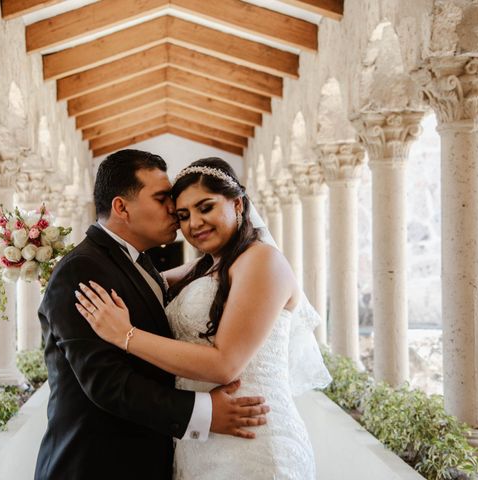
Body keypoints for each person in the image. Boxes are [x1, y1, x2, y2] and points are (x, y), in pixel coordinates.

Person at [76, 157, 332, 479]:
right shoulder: (206, 266)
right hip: (202, 437)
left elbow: (225, 364)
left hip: (251, 437)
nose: (194, 223)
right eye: (183, 215)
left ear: (237, 203)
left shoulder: (262, 261)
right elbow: (140, 282)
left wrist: (126, 335)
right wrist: (73, 269)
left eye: (206, 207)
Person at [34, 150, 269, 480]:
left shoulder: (140, 262)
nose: (173, 210)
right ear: (121, 207)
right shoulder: (82, 269)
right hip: (96, 465)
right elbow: (106, 382)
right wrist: (203, 413)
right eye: (162, 198)